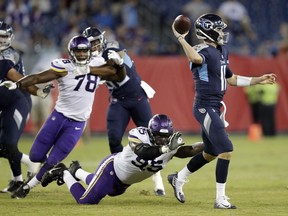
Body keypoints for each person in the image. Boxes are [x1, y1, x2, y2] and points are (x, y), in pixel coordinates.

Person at [168, 13, 277, 209]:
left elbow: (231, 79)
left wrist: (259, 79)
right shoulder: (201, 49)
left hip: (215, 107)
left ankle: (178, 178)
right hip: (204, 106)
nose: (222, 32)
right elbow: (194, 57)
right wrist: (180, 38)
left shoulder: (222, 50)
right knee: (226, 150)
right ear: (208, 31)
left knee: (210, 153)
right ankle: (220, 199)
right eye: (219, 29)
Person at [0, 35, 126, 199]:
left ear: (89, 52)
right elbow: (38, 77)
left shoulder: (96, 65)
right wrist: (18, 84)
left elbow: (119, 76)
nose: (81, 55)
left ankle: (27, 187)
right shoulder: (64, 66)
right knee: (35, 156)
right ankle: (51, 168)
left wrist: (120, 64)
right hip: (58, 117)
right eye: (78, 51)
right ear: (71, 52)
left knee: (52, 160)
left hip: (77, 124)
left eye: (84, 51)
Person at [40, 114, 204, 204]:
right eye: (158, 136)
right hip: (112, 168)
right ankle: (63, 173)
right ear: (150, 132)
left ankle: (77, 171)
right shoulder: (139, 134)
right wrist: (166, 148)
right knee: (87, 200)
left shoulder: (171, 145)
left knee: (104, 189)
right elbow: (143, 152)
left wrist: (209, 143)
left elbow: (188, 151)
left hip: (124, 182)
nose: (162, 139)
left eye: (165, 136)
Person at [82, 27, 165, 196]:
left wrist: (93, 71)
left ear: (102, 40)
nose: (94, 46)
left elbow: (115, 67)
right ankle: (119, 174)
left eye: (96, 42)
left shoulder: (111, 49)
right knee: (113, 140)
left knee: (153, 138)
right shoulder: (91, 60)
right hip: (118, 101)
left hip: (137, 98)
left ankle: (157, 178)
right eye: (91, 44)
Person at [0, 21, 49, 194]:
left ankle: (19, 180)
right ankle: (27, 165)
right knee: (2, 146)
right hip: (3, 104)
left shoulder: (9, 55)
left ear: (10, 38)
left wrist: (37, 91)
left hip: (16, 102)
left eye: (3, 36)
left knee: (8, 143)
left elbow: (15, 77)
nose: (0, 40)